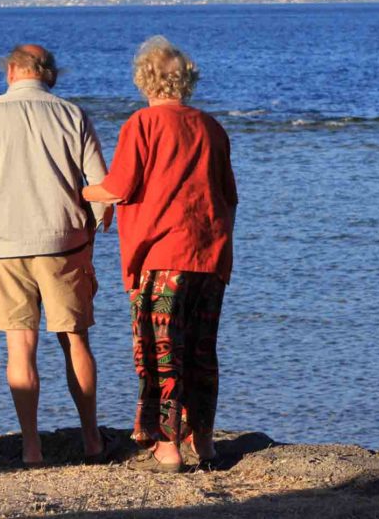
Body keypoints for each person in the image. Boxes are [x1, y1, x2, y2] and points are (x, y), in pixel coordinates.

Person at [0, 44, 114, 466]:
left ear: (12, 72)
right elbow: (101, 190)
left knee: (20, 347)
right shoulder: (71, 114)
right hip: (65, 244)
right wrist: (90, 243)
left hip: (5, 248)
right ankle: (92, 441)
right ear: (49, 74)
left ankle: (31, 448)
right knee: (76, 342)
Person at [83, 35, 237, 473]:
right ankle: (203, 443)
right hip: (209, 255)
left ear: (144, 79)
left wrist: (80, 191)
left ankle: (167, 446)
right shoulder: (211, 127)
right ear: (185, 80)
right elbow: (229, 195)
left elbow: (119, 188)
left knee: (160, 353)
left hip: (160, 255)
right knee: (202, 351)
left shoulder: (142, 125)